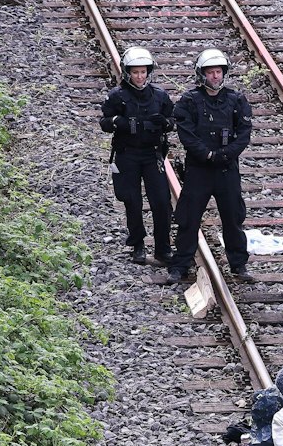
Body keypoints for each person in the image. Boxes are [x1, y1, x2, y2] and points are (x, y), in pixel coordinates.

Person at [170, 48, 253, 284]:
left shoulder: (236, 99)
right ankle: (180, 265)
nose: (215, 76)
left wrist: (225, 154)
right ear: (202, 74)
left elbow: (244, 133)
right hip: (199, 169)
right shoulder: (189, 100)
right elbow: (186, 133)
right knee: (188, 219)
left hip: (227, 169)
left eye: (218, 72)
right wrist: (206, 154)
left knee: (233, 218)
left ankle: (239, 264)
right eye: (211, 72)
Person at [100, 47, 175, 266]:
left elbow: (173, 120)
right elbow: (104, 122)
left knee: (161, 201)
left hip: (152, 155)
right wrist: (117, 122)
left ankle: (163, 248)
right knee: (131, 200)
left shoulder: (160, 95)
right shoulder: (117, 96)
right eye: (135, 72)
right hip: (127, 154)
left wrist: (165, 123)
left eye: (143, 72)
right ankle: (138, 244)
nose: (140, 77)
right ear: (127, 72)